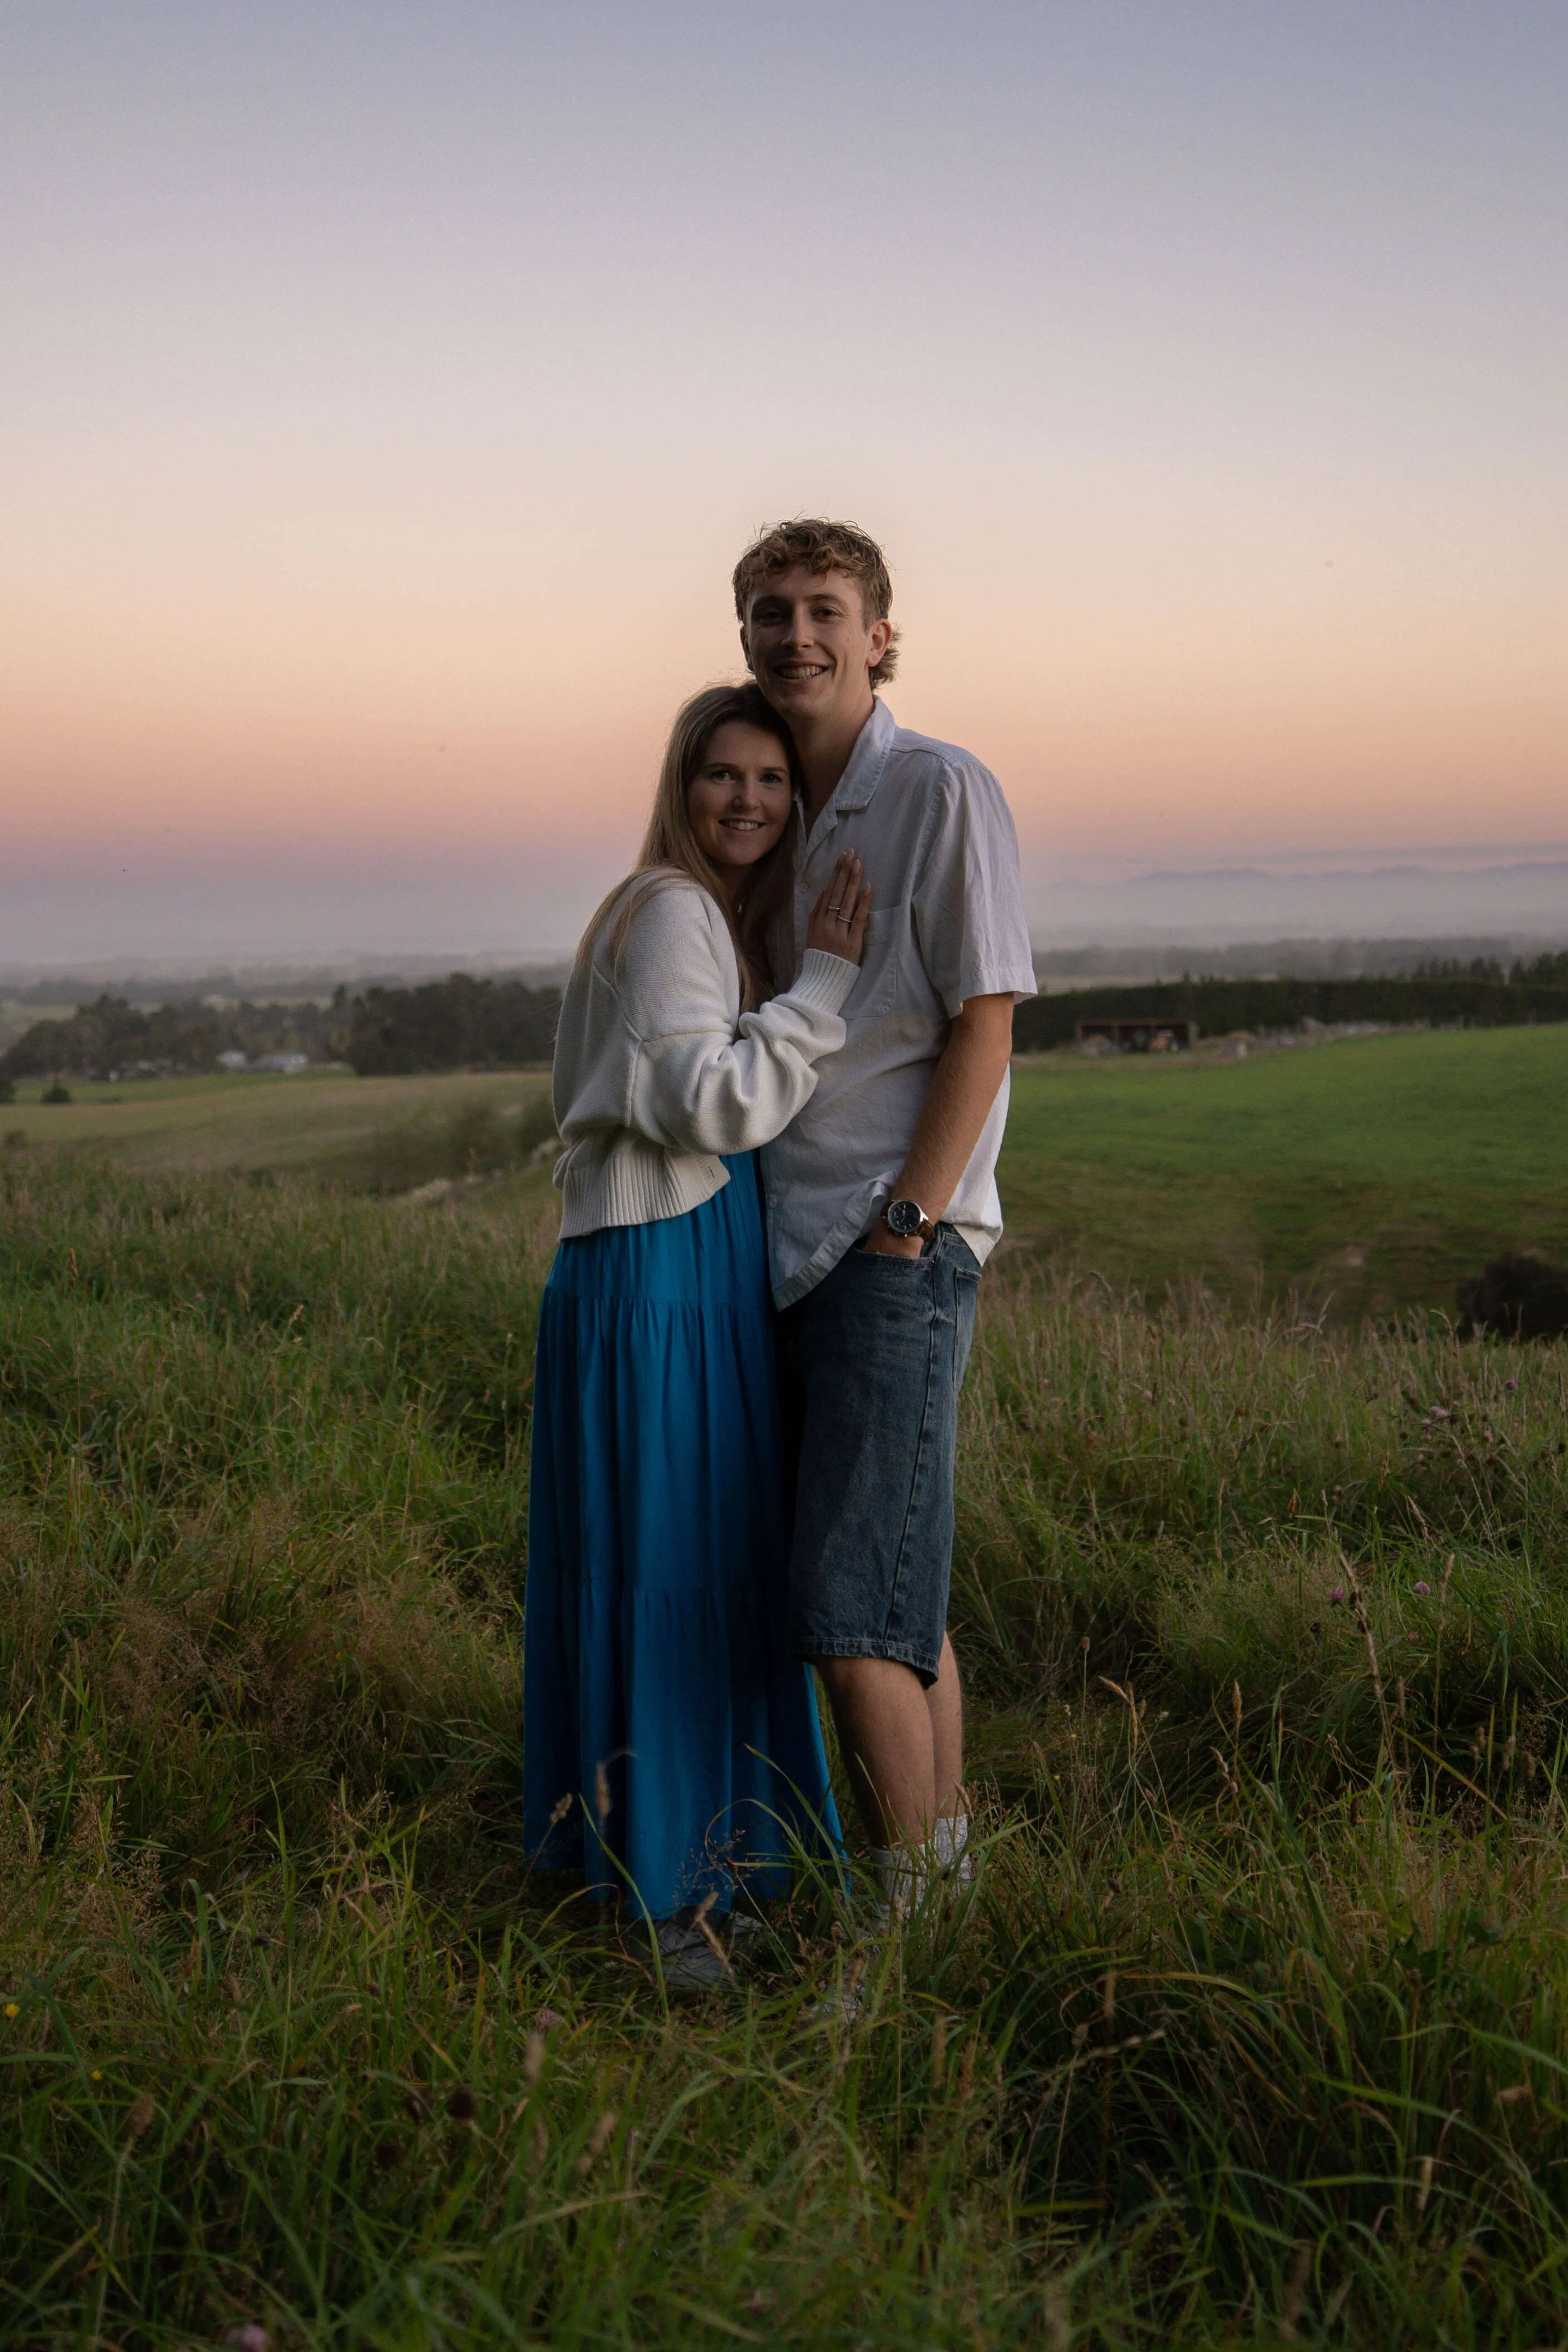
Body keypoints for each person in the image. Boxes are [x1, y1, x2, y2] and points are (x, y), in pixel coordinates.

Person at [525, 680, 871, 1987]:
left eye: (771, 780)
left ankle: (683, 1863)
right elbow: (696, 1103)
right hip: (658, 1263)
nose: (748, 799)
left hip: (669, 1262)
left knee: (678, 1559)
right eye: (723, 775)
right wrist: (823, 987)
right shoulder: (671, 908)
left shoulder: (692, 915)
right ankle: (676, 1901)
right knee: (671, 1564)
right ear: (681, 784)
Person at [733, 518, 1036, 1919]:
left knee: (847, 1614)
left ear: (878, 637)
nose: (796, 634)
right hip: (787, 1249)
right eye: (770, 611)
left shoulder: (938, 788)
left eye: (822, 610)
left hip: (883, 1245)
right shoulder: (768, 813)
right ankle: (953, 1877)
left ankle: (902, 1920)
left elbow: (983, 1023)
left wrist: (907, 1222)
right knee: (891, 1584)